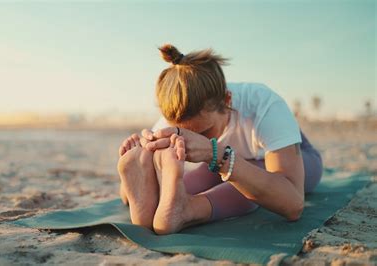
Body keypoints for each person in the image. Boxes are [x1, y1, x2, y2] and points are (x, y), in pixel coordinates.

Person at [117, 44, 323, 235]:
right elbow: (133, 184)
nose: (193, 140)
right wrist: (142, 159)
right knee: (191, 179)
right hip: (223, 162)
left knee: (251, 173)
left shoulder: (263, 104)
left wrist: (212, 153)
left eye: (204, 132)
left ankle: (190, 210)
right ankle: (157, 207)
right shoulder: (179, 112)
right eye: (183, 132)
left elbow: (294, 204)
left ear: (227, 100)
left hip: (293, 163)